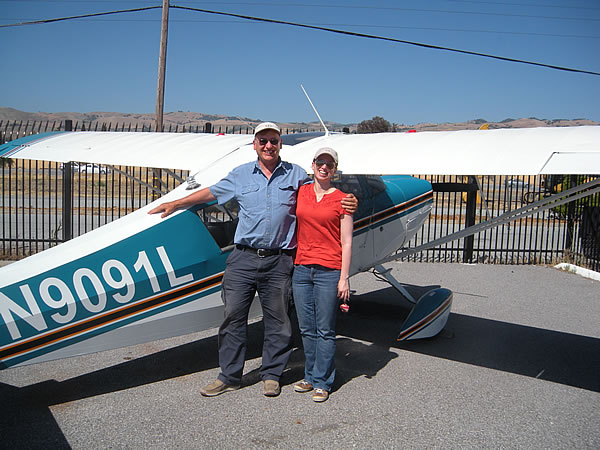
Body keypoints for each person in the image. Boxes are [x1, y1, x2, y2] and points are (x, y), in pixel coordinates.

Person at [149, 123, 357, 398]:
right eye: (263, 141)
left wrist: (351, 201)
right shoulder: (241, 174)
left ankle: (271, 375)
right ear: (255, 144)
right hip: (243, 258)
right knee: (233, 317)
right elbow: (212, 192)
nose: (268, 145)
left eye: (273, 140)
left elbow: (323, 189)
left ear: (280, 143)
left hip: (279, 261)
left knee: (278, 321)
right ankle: (230, 376)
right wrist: (177, 203)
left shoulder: (296, 175)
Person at [292, 147, 353, 403]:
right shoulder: (301, 191)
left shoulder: (343, 199)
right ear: (313, 164)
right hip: (302, 268)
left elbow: (347, 242)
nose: (324, 167)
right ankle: (309, 375)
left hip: (329, 270)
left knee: (325, 329)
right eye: (320, 162)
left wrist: (344, 277)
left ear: (335, 169)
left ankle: (323, 381)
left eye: (329, 164)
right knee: (307, 328)